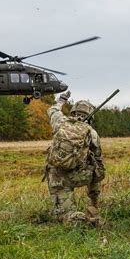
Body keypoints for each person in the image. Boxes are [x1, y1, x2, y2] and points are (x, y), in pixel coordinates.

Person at [45, 91, 105, 225]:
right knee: (96, 166)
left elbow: (52, 109)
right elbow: (98, 161)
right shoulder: (92, 133)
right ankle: (93, 206)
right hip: (81, 177)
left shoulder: (61, 122)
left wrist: (62, 99)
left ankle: (68, 212)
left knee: (65, 216)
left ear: (72, 113)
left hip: (59, 178)